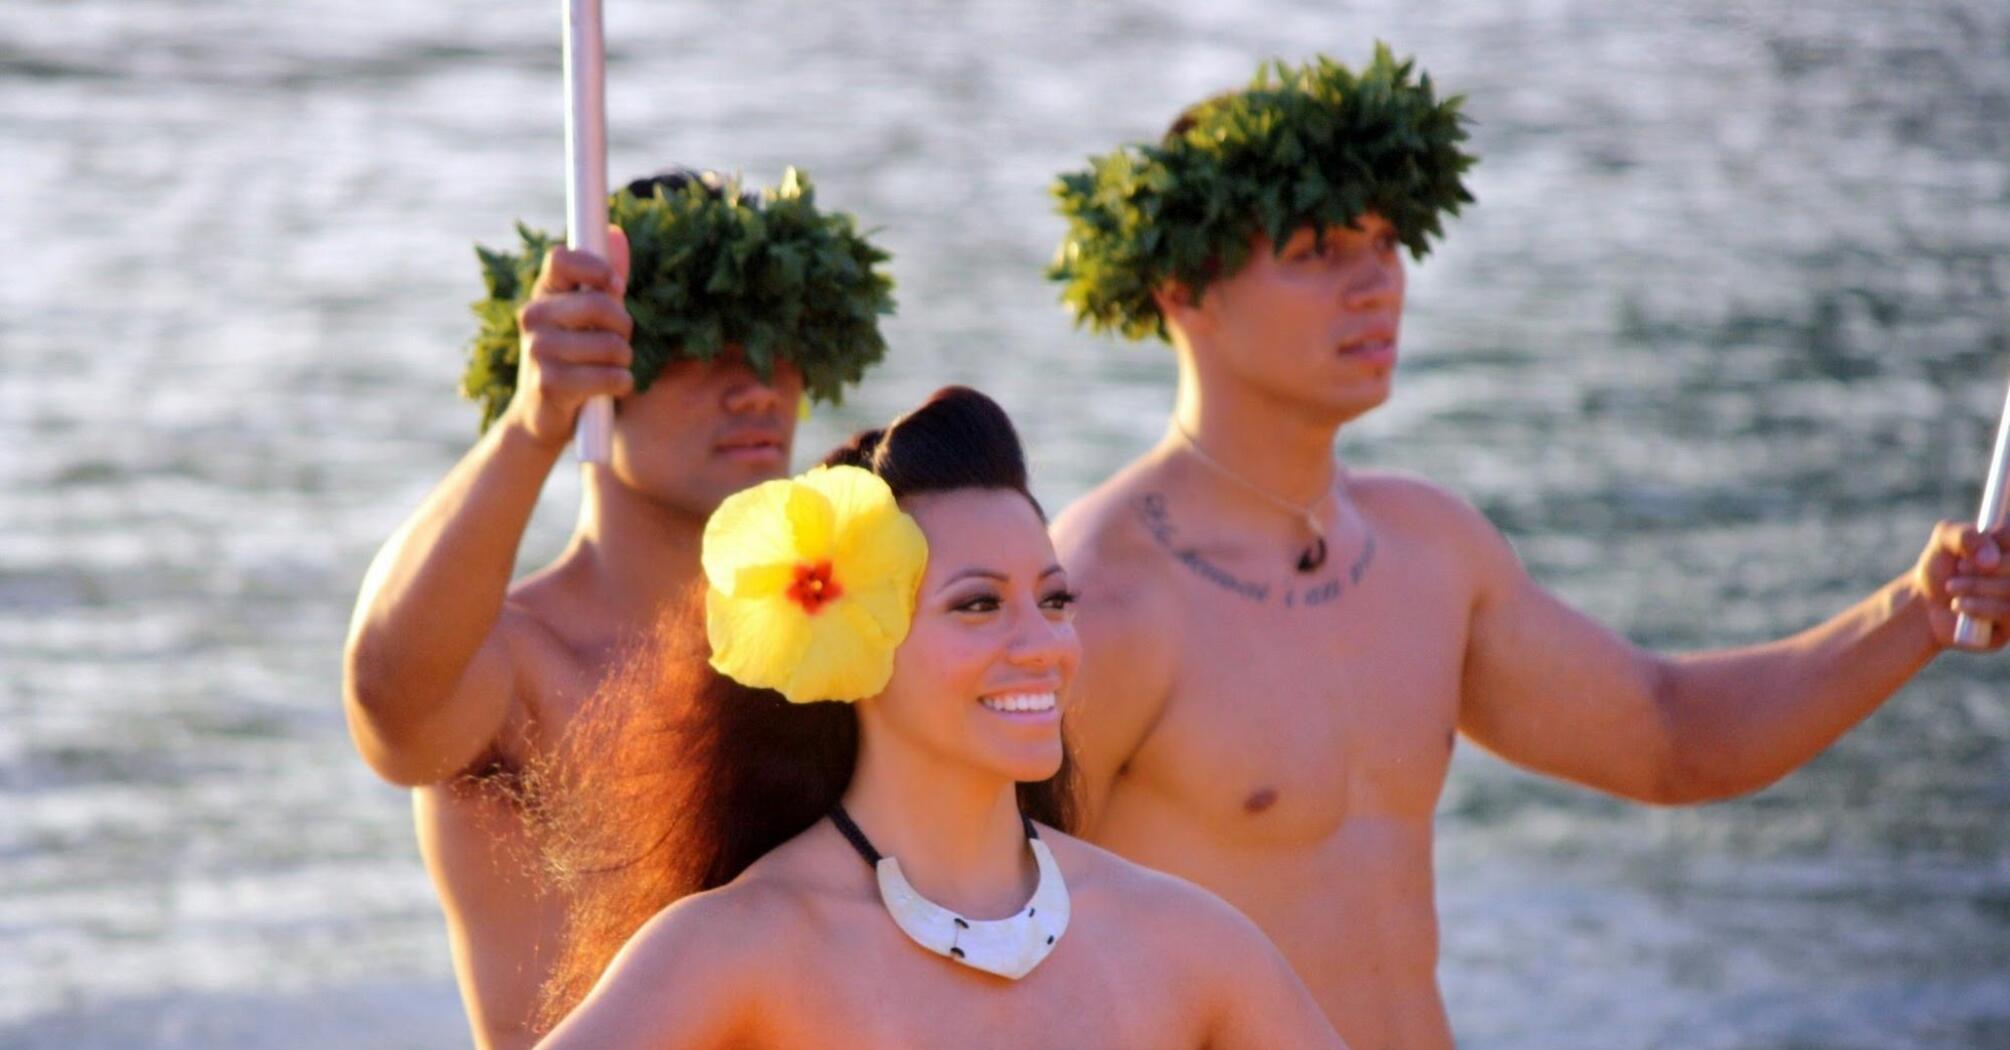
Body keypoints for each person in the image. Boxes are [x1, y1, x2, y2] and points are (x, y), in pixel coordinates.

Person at [1046, 47, 2010, 1050]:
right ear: (1179, 288)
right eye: (1319, 249)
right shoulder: (1103, 602)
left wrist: (1918, 613)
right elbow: (970, 933)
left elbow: (1672, 738)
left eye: (1385, 240)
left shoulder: (1428, 549)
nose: (1376, 282)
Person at [530, 387, 1346, 1049]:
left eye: (1054, 599)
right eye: (980, 604)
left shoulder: (1182, 942)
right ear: (854, 641)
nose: (1043, 645)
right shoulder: (738, 950)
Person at [341, 169, 895, 1050]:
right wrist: (534, 420)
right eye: (699, 348)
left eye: (780, 345)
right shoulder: (518, 664)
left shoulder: (837, 646)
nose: (757, 387)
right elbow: (389, 706)